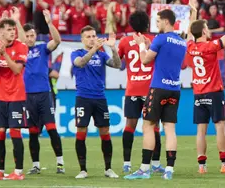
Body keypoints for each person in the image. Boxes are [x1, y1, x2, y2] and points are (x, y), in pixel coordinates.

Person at [124, 9, 187, 181]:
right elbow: (182, 65)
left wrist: (141, 45)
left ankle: (145, 169)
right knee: (170, 128)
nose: (157, 24)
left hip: (158, 88)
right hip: (175, 88)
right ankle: (169, 169)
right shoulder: (182, 42)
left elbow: (145, 59)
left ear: (166, 21)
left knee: (148, 126)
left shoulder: (160, 39)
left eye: (158, 21)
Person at [187, 0, 225, 174]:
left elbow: (190, 32)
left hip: (198, 93)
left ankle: (201, 166)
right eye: (206, 28)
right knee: (220, 127)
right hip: (214, 92)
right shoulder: (210, 46)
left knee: (200, 131)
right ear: (204, 32)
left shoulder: (190, 46)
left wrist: (194, 12)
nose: (208, 30)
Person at [70, 27, 122, 179]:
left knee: (105, 132)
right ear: (82, 39)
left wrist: (113, 49)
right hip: (83, 98)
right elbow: (80, 63)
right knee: (81, 132)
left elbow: (117, 64)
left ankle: (108, 168)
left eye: (94, 36)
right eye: (88, 36)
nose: (92, 38)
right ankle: (83, 170)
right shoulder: (76, 53)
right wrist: (93, 49)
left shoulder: (101, 54)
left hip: (100, 98)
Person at [117, 10, 164, 174]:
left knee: (129, 125)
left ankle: (126, 163)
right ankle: (156, 164)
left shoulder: (124, 41)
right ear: (146, 24)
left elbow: (120, 64)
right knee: (154, 126)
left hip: (132, 90)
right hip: (151, 89)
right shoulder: (153, 40)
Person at [0, 11, 29, 181]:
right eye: (9, 29)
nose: (13, 32)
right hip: (0, 97)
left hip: (17, 97)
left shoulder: (21, 46)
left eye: (14, 29)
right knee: (0, 132)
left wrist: (4, 55)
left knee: (15, 132)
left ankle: (18, 171)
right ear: (2, 32)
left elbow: (17, 69)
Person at [24, 11, 64, 175]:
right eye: (27, 35)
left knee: (51, 128)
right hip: (27, 96)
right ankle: (35, 165)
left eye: (32, 35)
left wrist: (49, 23)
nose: (30, 38)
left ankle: (60, 163)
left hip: (44, 95)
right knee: (33, 132)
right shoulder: (19, 51)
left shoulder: (42, 48)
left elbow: (57, 41)